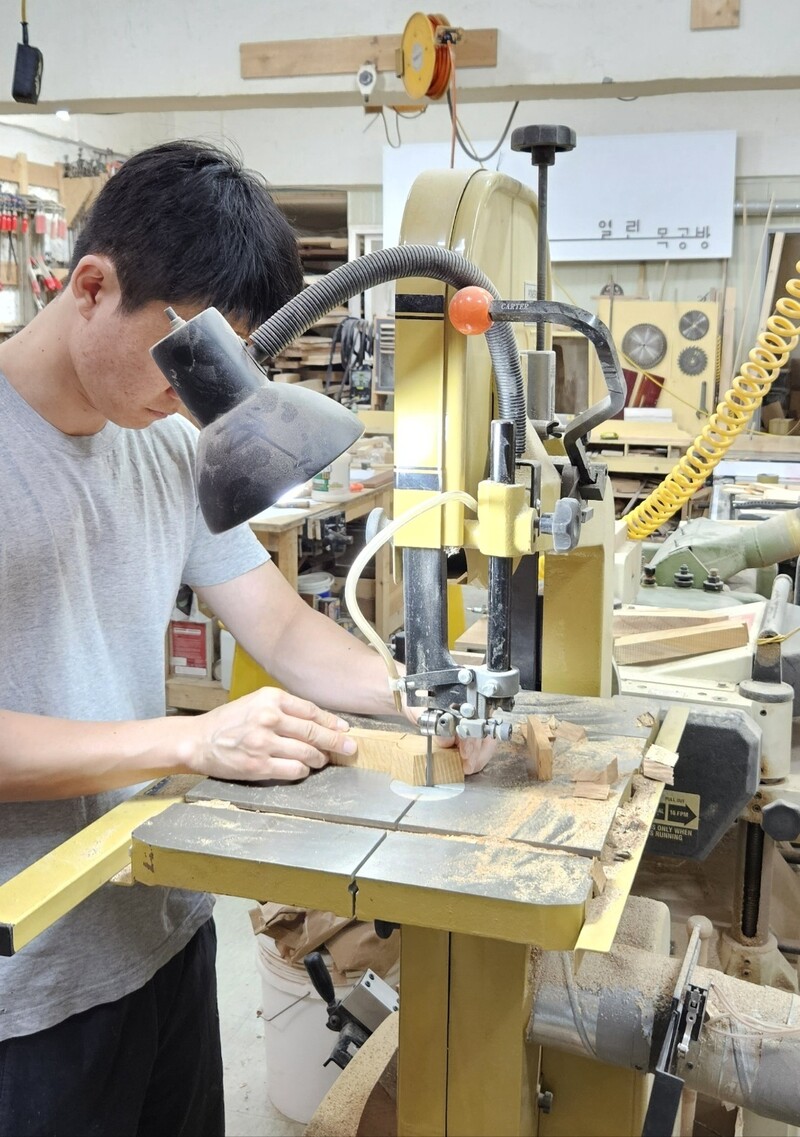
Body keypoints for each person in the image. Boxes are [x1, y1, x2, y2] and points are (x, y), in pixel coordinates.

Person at [0, 140, 491, 1136]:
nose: (187, 398)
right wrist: (190, 740)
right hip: (28, 984)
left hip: (158, 927)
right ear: (91, 285)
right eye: (179, 362)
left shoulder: (167, 444)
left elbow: (280, 625)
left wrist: (422, 691)